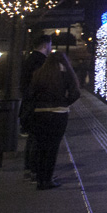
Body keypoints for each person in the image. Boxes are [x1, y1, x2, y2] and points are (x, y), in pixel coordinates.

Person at [24, 51, 80, 190]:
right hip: (58, 114)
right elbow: (75, 93)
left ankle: (39, 178)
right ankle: (47, 179)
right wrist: (64, 103)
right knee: (52, 147)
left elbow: (31, 94)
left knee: (41, 146)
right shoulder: (66, 73)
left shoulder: (39, 73)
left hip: (40, 113)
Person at [19, 35, 52, 180]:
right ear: (45, 45)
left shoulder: (29, 60)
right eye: (50, 45)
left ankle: (29, 170)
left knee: (33, 138)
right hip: (39, 106)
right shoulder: (41, 62)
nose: (51, 48)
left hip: (30, 105)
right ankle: (35, 171)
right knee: (39, 140)